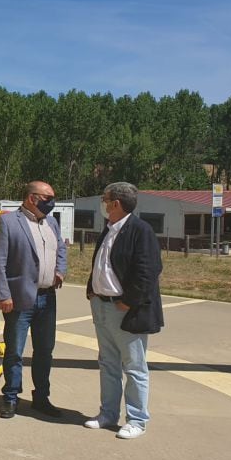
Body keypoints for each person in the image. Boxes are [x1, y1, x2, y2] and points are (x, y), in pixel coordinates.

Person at [84, 182, 163, 439]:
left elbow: (148, 272)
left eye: (105, 199)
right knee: (108, 363)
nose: (103, 204)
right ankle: (107, 413)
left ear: (116, 203)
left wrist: (128, 302)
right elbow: (102, 263)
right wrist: (92, 290)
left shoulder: (141, 231)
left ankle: (137, 420)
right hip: (102, 306)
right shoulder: (108, 229)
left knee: (134, 366)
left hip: (125, 310)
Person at [0, 181, 67, 419]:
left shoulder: (51, 222)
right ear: (32, 198)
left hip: (47, 298)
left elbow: (61, 250)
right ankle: (10, 398)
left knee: (45, 351)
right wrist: (4, 295)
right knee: (14, 351)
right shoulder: (8, 222)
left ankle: (41, 398)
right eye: (48, 197)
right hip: (19, 300)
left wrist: (60, 270)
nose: (51, 202)